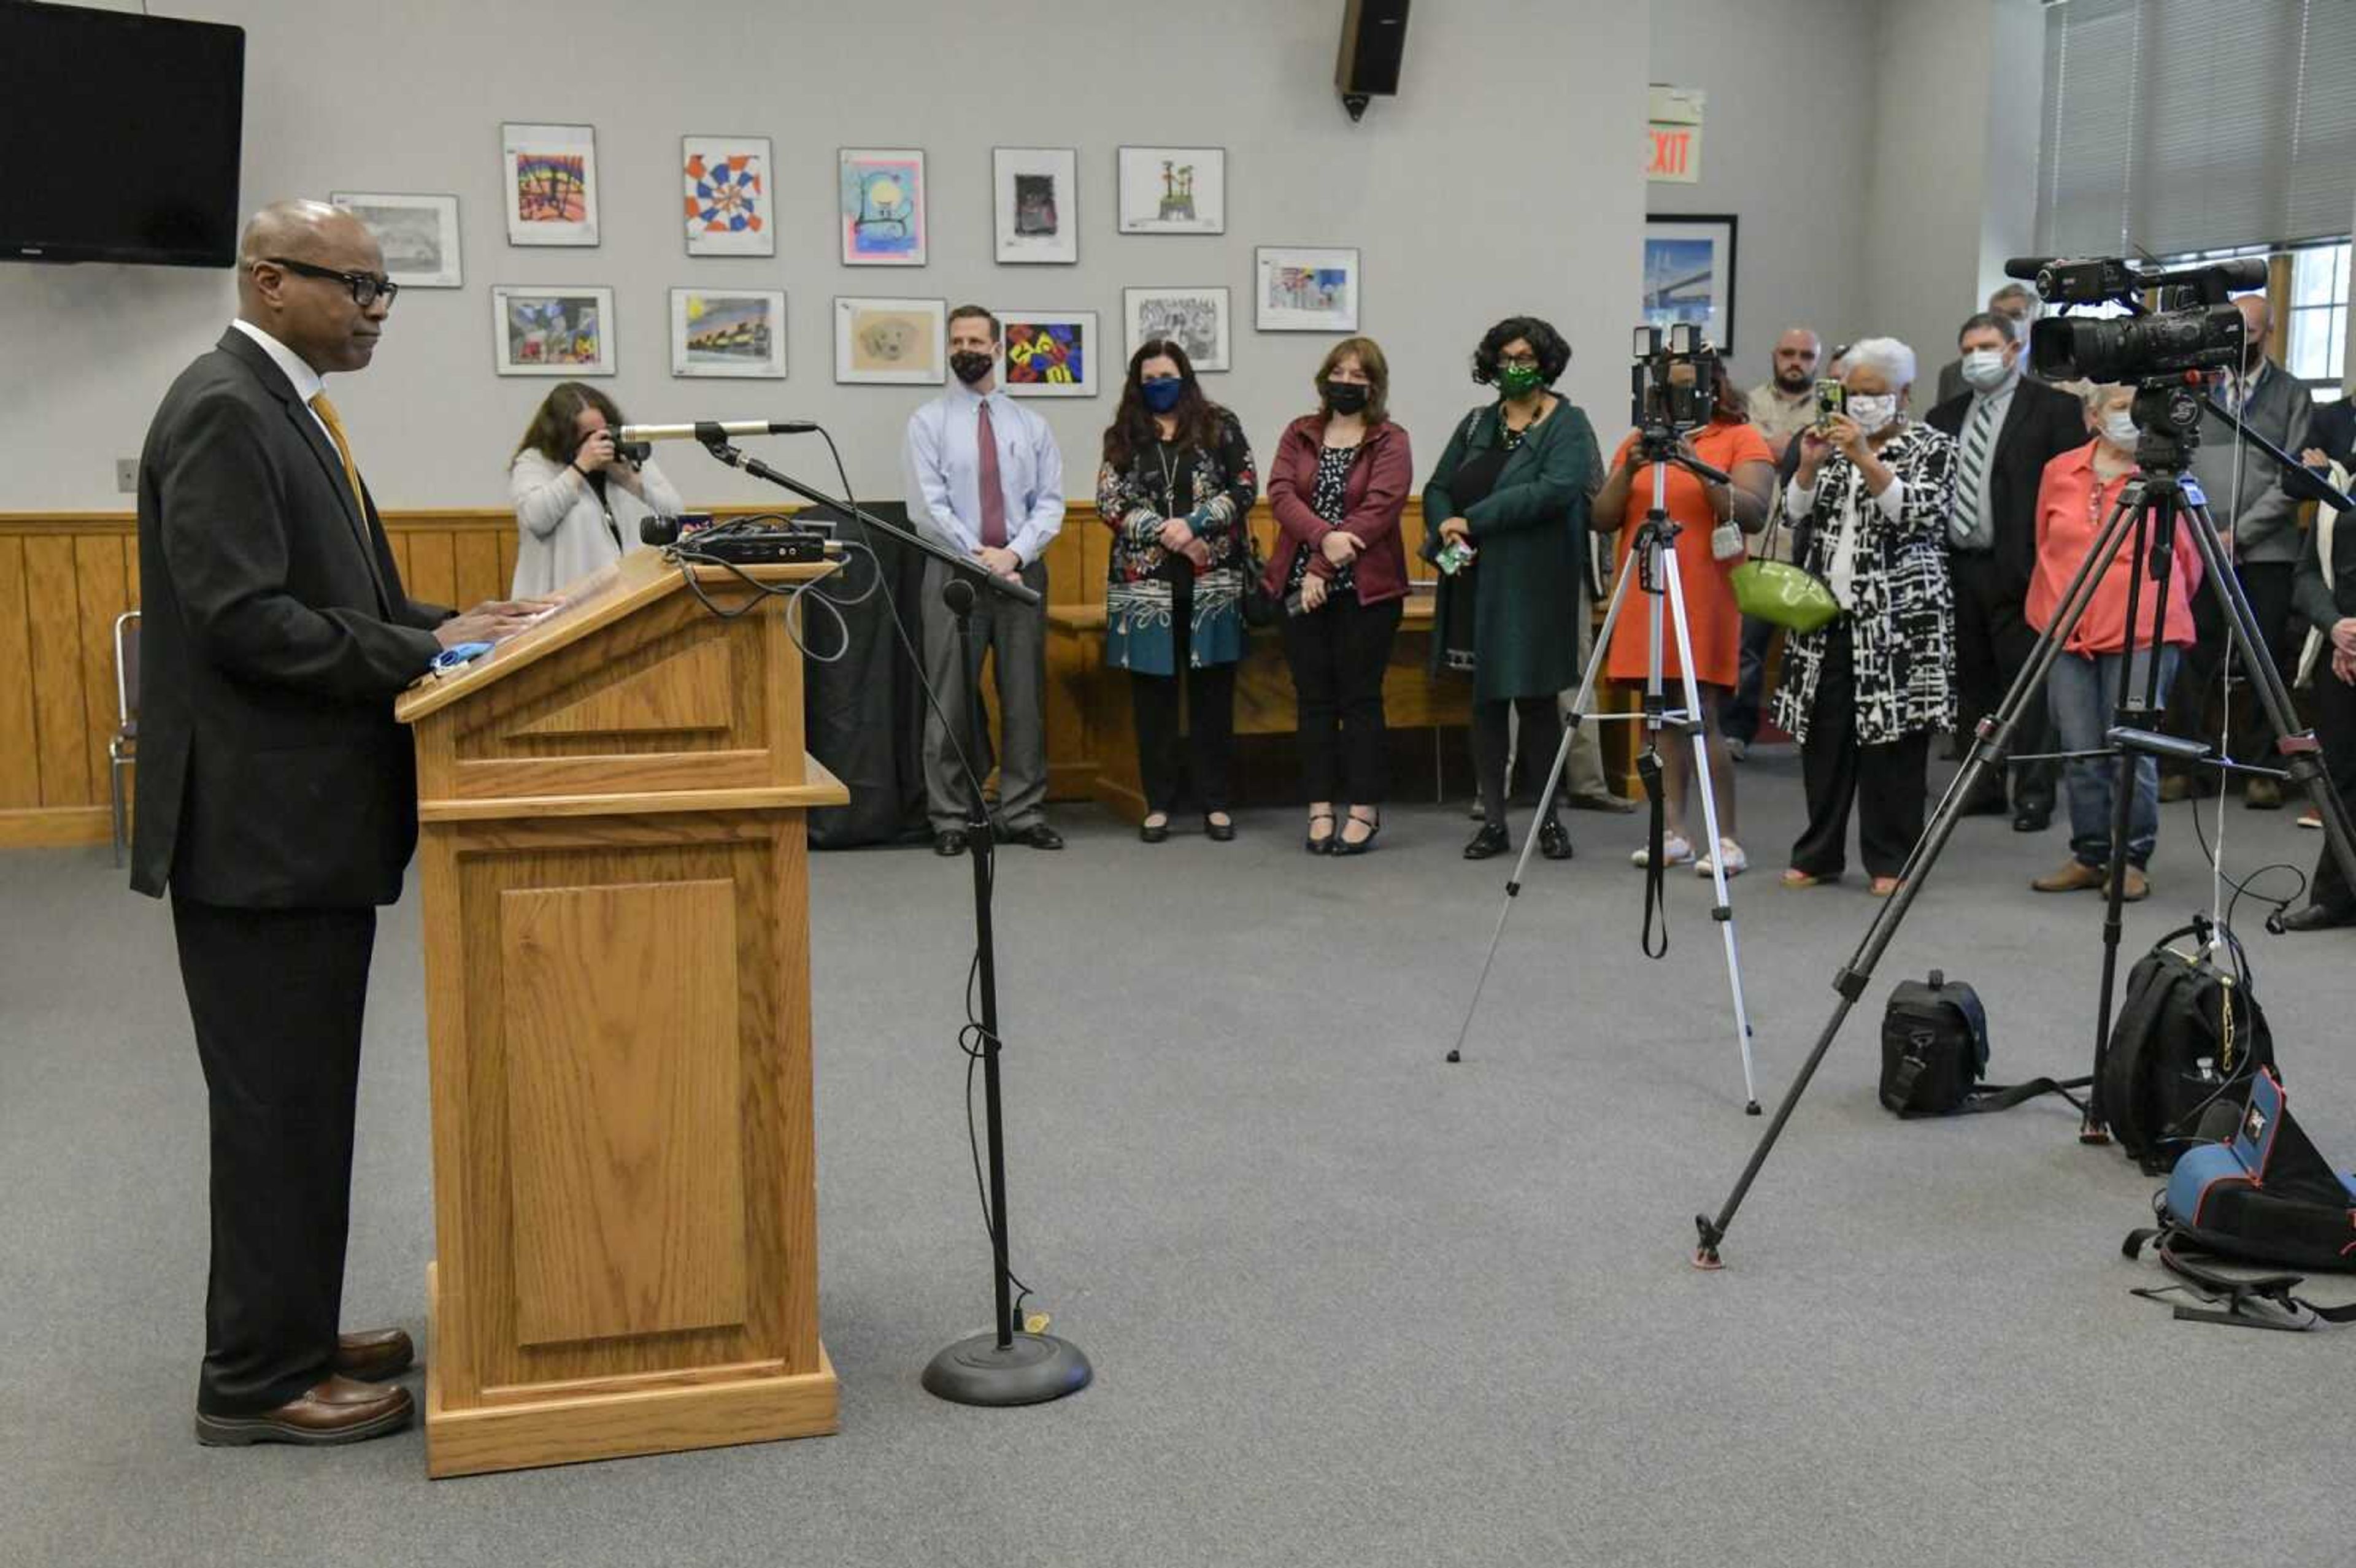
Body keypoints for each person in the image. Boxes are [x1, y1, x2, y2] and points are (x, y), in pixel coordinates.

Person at [133, 201, 550, 1447]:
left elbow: (341, 596)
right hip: (259, 835)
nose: (376, 313)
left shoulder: (284, 407)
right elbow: (245, 620)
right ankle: (256, 1379)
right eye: (356, 289)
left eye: (384, 293)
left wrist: (453, 619)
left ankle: (298, 1329)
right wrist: (423, 647)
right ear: (271, 281)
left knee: (305, 1101)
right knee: (275, 1108)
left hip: (299, 827)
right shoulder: (223, 409)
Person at [1774, 337, 1958, 896]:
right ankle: (1819, 853)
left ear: (1905, 394)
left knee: (1894, 744)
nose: (1861, 404)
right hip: (1827, 613)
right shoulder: (1827, 443)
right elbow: (1793, 515)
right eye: (1853, 394)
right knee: (1823, 740)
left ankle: (1892, 859)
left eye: (1874, 394)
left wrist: (1864, 458)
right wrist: (1807, 468)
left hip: (1901, 619)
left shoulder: (1934, 446)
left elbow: (1920, 515)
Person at [1425, 315, 1602, 861]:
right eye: (1506, 359)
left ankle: (1549, 820)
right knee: (1485, 700)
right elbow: (1436, 488)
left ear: (1546, 363)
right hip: (1475, 576)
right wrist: (1446, 529)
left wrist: (1471, 519)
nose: (1515, 368)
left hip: (1535, 581)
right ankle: (1495, 823)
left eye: (1526, 358)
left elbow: (1553, 491)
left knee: (1536, 700)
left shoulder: (1568, 423)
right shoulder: (1477, 422)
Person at [1593, 355, 1775, 875]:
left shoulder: (1741, 439)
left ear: (1713, 387)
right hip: (1647, 589)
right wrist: (1631, 469)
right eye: (1667, 389)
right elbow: (1602, 516)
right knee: (1659, 715)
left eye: (1688, 388)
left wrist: (1693, 460)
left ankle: (1728, 839)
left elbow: (1753, 511)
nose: (1677, 398)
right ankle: (1673, 831)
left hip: (1704, 589)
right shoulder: (1638, 443)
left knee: (1702, 714)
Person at [2024, 384, 2205, 902]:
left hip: (2143, 631)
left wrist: (2151, 607)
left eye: (2139, 408)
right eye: (2121, 408)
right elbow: (2044, 543)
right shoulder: (2060, 471)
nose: (2131, 418)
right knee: (2080, 749)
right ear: (2094, 415)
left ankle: (2131, 859)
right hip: (2066, 630)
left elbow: (2189, 563)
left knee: (2133, 750)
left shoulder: (2166, 478)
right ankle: (2090, 854)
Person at [904, 304, 1067, 856]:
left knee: (1024, 699)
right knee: (947, 699)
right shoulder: (928, 422)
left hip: (1020, 574)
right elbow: (927, 507)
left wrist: (1014, 555)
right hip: (954, 573)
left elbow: (1049, 503)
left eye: (976, 341)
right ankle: (949, 816)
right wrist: (979, 556)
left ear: (999, 350)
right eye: (956, 342)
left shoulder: (1031, 425)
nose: (965, 351)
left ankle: (1022, 811)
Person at [1925, 310, 2090, 830]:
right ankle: (1982, 785)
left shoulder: (2055, 409)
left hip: (2022, 566)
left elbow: (2072, 490)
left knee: (2029, 687)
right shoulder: (1944, 416)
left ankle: (2035, 791)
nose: (1978, 357)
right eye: (1969, 348)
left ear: (2015, 349)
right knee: (1972, 684)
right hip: (1959, 565)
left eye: (1988, 346)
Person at [1095, 339, 1259, 843]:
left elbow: (1246, 485)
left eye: (1167, 375)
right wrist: (1166, 533)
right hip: (1145, 587)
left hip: (1213, 581)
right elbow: (1109, 500)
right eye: (1149, 379)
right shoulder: (1123, 433)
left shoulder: (1219, 424)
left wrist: (1194, 525)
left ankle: (1216, 803)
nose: (1158, 385)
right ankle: (1159, 803)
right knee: (1154, 700)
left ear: (1185, 376)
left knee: (1214, 695)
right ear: (1136, 384)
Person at [2163, 294, 2316, 809]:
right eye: (2230, 333)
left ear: (2267, 334)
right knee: (2194, 656)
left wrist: (2240, 535)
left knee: (2262, 659)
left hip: (2266, 552)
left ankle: (2263, 769)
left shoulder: (2293, 394)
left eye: (2248, 334)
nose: (2238, 343)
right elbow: (2176, 460)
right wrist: (2206, 531)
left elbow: (2293, 475)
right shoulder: (2197, 391)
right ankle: (2188, 767)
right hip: (2199, 545)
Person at [1266, 337, 1411, 853]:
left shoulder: (1390, 439)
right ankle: (1320, 806)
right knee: (1315, 702)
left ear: (1374, 384)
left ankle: (1365, 810)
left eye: (1358, 375)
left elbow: (1381, 508)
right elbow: (1281, 494)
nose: (1346, 382)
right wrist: (1321, 542)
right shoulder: (1299, 432)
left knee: (1361, 700)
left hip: (1365, 593)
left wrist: (1322, 566)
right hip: (1300, 590)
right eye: (1339, 372)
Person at [2279, 425, 2356, 929]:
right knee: (2340, 778)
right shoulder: (2341, 484)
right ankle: (2338, 895)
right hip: (2340, 652)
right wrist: (2337, 627)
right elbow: (2305, 574)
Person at [506, 383, 684, 597]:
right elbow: (536, 517)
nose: (600, 443)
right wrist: (581, 467)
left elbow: (674, 513)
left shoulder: (626, 459)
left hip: (631, 597)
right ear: (564, 437)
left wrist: (629, 481)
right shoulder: (536, 463)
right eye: (589, 436)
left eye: (604, 431)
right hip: (562, 605)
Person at [1933, 283, 2041, 405]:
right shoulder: (1953, 374)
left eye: (2015, 315)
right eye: (1997, 316)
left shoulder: (2053, 371)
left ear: (2033, 323)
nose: (2005, 321)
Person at [1746, 328, 1823, 464]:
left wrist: (1769, 447)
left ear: (1817, 361)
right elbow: (1743, 454)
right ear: (1774, 357)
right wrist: (1804, 450)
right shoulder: (1748, 404)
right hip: (1764, 485)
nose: (1796, 362)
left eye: (1807, 356)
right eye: (1788, 354)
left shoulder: (1830, 407)